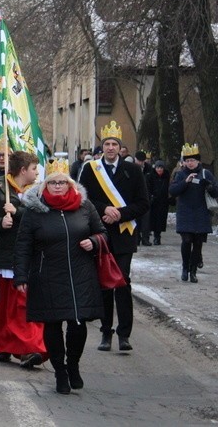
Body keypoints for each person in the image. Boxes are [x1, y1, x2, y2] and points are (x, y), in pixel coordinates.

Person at [13, 159, 106, 394]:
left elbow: (102, 233)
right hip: (47, 275)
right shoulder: (34, 211)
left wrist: (94, 242)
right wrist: (21, 276)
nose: (57, 186)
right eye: (52, 182)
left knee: (78, 323)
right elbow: (23, 245)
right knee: (53, 325)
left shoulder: (85, 207)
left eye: (62, 183)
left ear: (70, 185)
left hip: (80, 275)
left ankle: (73, 365)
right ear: (45, 185)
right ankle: (60, 372)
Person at [78, 121, 149, 353]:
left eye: (114, 144)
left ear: (120, 148)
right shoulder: (91, 169)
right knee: (105, 284)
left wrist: (119, 214)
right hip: (101, 233)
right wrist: (104, 209)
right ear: (102, 147)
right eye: (107, 144)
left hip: (125, 233)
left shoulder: (134, 171)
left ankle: (124, 334)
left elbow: (143, 203)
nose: (110, 148)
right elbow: (83, 198)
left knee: (123, 282)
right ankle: (106, 332)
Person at [0, 151, 46, 368]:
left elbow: (42, 218)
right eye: (34, 168)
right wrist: (0, 222)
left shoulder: (38, 192)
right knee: (3, 305)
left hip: (28, 256)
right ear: (23, 170)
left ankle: (28, 347)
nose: (37, 173)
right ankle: (5, 344)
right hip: (4, 256)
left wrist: (17, 212)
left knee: (22, 304)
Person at [168, 144, 218, 283]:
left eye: (193, 160)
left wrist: (209, 186)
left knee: (197, 243)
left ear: (198, 162)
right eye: (188, 160)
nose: (190, 163)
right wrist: (186, 182)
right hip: (185, 212)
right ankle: (185, 267)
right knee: (186, 240)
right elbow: (173, 191)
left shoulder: (205, 173)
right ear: (184, 162)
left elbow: (215, 192)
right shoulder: (180, 174)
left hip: (201, 212)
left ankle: (193, 270)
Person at [147, 160, 171, 245]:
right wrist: (151, 196)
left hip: (163, 201)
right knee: (152, 219)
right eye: (158, 168)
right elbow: (148, 188)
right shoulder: (150, 176)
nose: (159, 169)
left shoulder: (167, 176)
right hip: (153, 202)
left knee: (160, 220)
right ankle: (149, 235)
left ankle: (157, 236)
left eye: (161, 168)